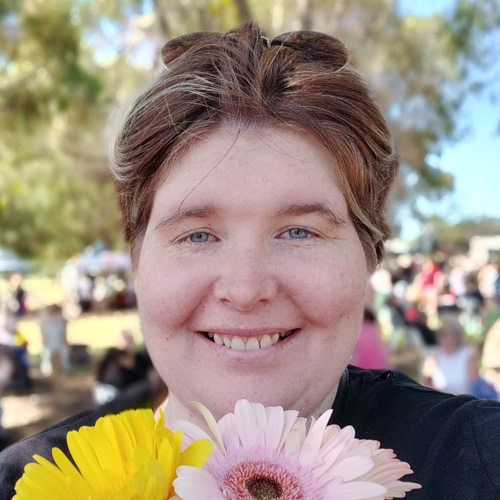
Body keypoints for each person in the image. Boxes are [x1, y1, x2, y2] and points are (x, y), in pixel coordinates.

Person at [0, 22, 499, 499]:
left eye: (299, 231)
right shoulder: (26, 486)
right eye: (197, 235)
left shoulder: (481, 462)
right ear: (137, 256)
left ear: (370, 253)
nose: (244, 290)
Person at [421, 314, 479, 395]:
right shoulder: (433, 357)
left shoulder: (468, 356)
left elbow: (475, 390)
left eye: (444, 333)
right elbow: (424, 386)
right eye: (439, 333)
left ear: (457, 334)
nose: (440, 337)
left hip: (463, 401)